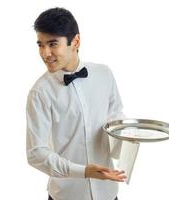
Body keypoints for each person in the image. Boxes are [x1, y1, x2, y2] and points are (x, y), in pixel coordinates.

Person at [26, 7, 139, 200]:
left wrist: (133, 137)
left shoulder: (105, 74)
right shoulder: (40, 92)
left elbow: (116, 123)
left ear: (75, 41)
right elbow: (36, 154)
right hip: (66, 195)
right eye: (40, 45)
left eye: (53, 44)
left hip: (108, 192)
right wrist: (84, 171)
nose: (45, 53)